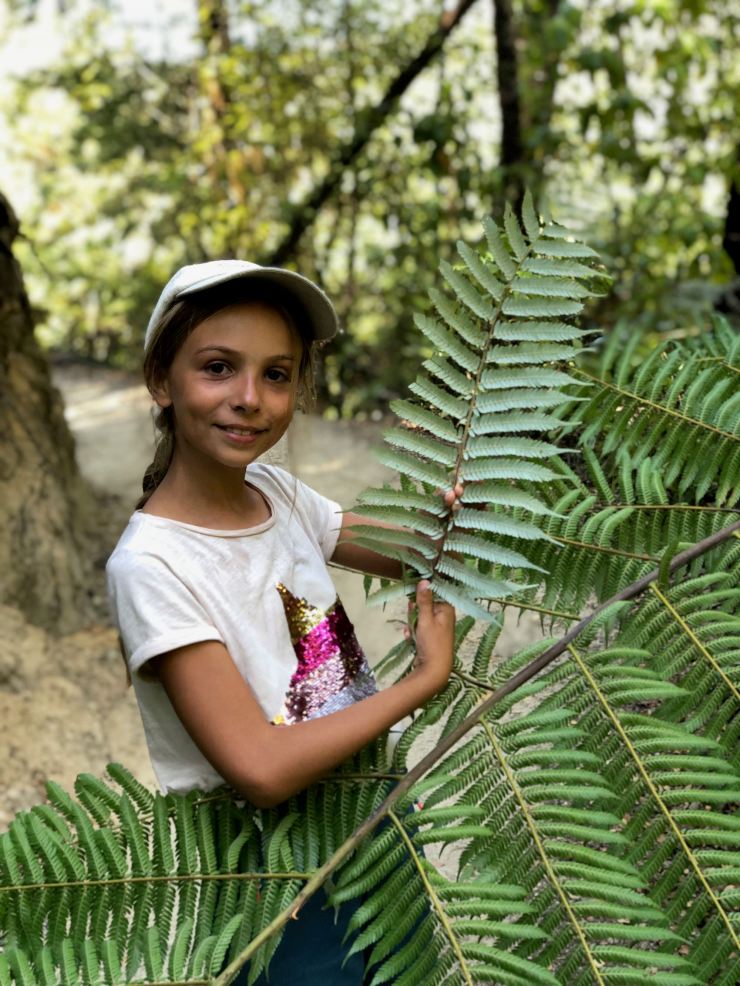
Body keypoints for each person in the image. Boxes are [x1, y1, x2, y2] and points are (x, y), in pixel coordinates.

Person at [105, 260, 457, 984]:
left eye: (276, 374)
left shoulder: (273, 490)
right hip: (274, 876)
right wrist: (424, 681)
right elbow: (260, 770)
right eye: (217, 368)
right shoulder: (153, 565)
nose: (248, 398)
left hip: (374, 812)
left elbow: (404, 549)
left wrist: (456, 512)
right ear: (161, 380)